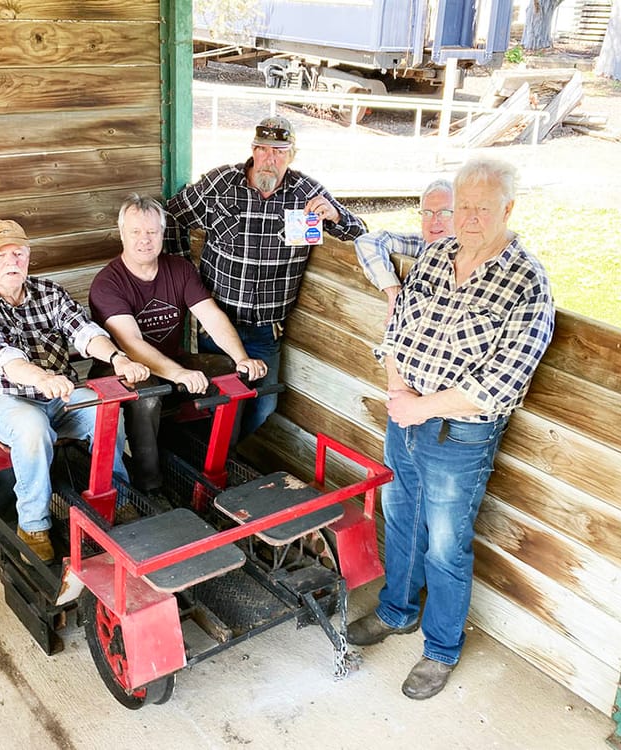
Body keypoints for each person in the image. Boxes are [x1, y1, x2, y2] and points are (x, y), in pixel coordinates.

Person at [347, 158, 555, 700]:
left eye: (482, 208)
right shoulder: (437, 256)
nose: (467, 218)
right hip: (405, 414)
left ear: (507, 210)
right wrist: (397, 390)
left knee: (446, 545)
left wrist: (423, 406)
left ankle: (439, 649)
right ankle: (396, 611)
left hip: (458, 435)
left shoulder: (527, 282)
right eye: (462, 206)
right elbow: (399, 326)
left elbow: (504, 381)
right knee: (399, 519)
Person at [0, 219, 150, 563]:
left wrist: (117, 357)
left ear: (28, 256)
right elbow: (3, 356)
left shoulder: (50, 292)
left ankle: (116, 499)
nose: (11, 261)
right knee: (32, 429)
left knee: (106, 410)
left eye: (18, 253)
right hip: (3, 398)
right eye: (0, 255)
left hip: (58, 395)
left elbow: (84, 332)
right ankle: (33, 524)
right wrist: (41, 378)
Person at [165, 115, 368, 437]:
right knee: (217, 404)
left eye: (279, 151)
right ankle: (209, 465)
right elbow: (172, 214)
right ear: (253, 149)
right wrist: (182, 274)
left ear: (292, 155)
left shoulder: (307, 193)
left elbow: (360, 233)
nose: (269, 159)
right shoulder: (220, 184)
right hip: (218, 324)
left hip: (266, 331)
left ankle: (226, 457)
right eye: (263, 149)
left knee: (262, 406)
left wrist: (336, 215)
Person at [89, 194, 267, 492]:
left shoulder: (180, 269)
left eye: (152, 232)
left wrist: (241, 358)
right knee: (147, 396)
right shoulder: (108, 283)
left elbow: (210, 315)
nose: (144, 240)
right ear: (122, 234)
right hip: (122, 372)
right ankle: (150, 484)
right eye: (135, 232)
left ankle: (212, 464)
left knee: (228, 376)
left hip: (171, 362)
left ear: (162, 233)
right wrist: (179, 374)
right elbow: (131, 343)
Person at [354, 179, 454, 320]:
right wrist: (393, 290)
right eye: (427, 213)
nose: (434, 221)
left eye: (444, 213)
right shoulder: (421, 243)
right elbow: (367, 242)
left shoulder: (474, 256)